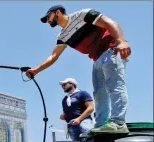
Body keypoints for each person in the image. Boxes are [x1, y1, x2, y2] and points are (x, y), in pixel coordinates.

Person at [27, 5, 131, 134]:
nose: (47, 20)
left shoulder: (83, 15)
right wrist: (36, 70)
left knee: (114, 86)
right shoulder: (63, 35)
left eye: (48, 17)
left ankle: (118, 122)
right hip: (96, 59)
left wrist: (122, 41)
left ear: (57, 12)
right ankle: (101, 124)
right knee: (99, 94)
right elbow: (54, 56)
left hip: (111, 51)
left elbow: (110, 23)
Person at [58, 78, 94, 142]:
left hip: (84, 121)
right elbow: (66, 113)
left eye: (64, 84)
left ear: (72, 84)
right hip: (72, 125)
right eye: (62, 85)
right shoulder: (64, 99)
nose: (62, 86)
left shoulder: (82, 93)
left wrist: (79, 119)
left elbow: (91, 108)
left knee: (88, 139)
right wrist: (63, 116)